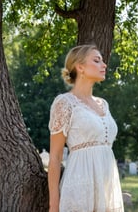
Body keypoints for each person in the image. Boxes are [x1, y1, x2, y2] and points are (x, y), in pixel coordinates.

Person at [48, 44, 124, 212]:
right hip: (80, 185)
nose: (104, 65)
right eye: (97, 61)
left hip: (107, 185)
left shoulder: (103, 104)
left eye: (103, 61)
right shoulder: (65, 103)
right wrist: (53, 204)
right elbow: (55, 156)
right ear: (80, 67)